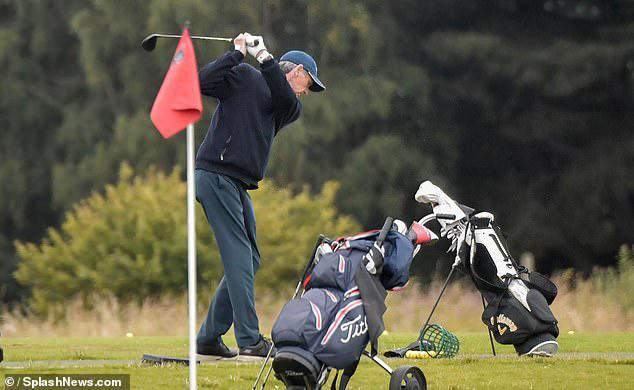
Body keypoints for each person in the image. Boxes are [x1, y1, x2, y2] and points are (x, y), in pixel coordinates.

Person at [195, 32, 325, 359]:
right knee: (239, 256)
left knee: (250, 259)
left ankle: (209, 339)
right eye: (309, 83)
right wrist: (236, 54)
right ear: (296, 72)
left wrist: (264, 56)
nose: (307, 91)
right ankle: (250, 340)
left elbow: (280, 95)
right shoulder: (242, 76)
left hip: (236, 182)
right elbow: (201, 82)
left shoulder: (287, 105)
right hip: (216, 173)